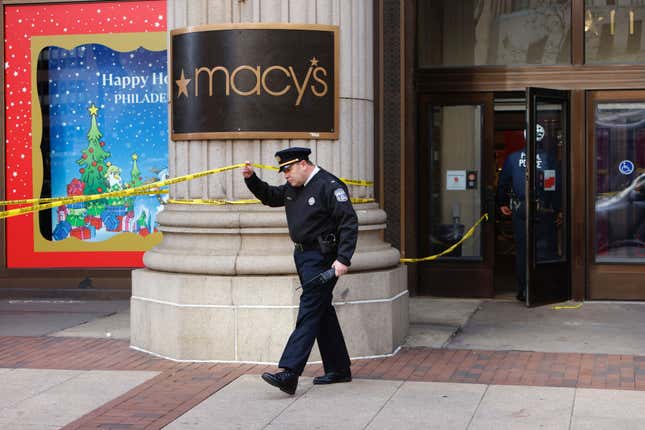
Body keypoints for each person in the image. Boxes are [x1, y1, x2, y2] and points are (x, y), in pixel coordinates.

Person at [242, 147, 358, 395]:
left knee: (309, 309)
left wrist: (343, 260)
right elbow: (271, 196)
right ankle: (338, 369)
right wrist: (251, 179)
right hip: (303, 256)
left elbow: (348, 222)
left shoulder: (329, 185)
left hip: (324, 258)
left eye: (288, 169)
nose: (285, 175)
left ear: (304, 164)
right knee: (321, 310)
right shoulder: (294, 187)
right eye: (283, 170)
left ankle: (290, 372)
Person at [497, 124, 561, 302]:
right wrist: (557, 209)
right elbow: (553, 186)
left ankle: (523, 290)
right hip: (543, 209)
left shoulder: (513, 158)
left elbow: (503, 183)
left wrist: (502, 203)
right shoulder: (548, 159)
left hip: (521, 209)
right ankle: (542, 289)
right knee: (543, 249)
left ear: (525, 137)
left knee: (522, 250)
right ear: (542, 138)